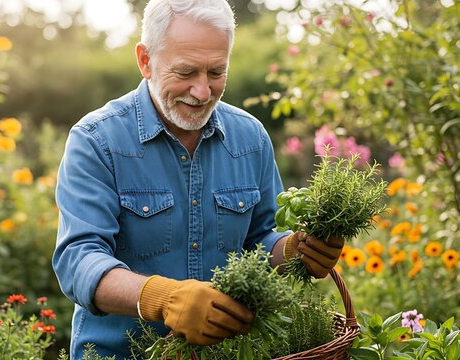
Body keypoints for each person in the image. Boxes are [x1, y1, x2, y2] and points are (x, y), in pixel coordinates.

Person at [52, 0, 344, 358]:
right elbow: (78, 259)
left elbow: (261, 237)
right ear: (145, 60)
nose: (203, 91)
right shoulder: (97, 140)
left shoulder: (250, 138)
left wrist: (292, 250)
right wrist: (164, 299)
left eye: (216, 72)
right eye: (186, 72)